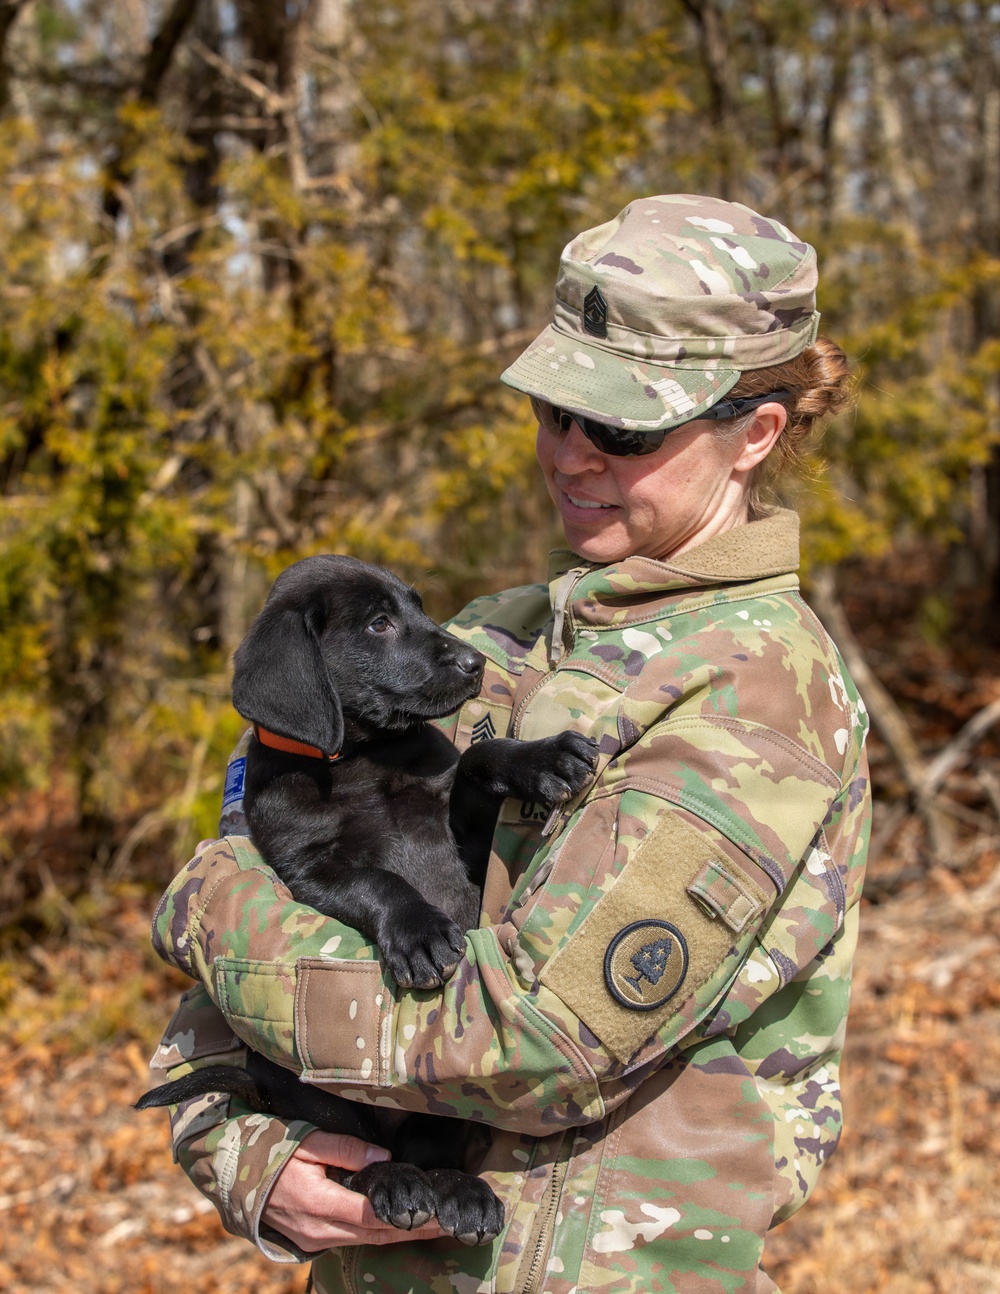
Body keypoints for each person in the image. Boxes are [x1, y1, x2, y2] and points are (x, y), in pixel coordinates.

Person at [147, 193, 870, 1294]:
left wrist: (203, 912)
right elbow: (245, 948)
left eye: (622, 427)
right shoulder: (488, 638)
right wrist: (249, 1156)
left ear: (754, 434)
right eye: (554, 409)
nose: (571, 454)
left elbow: (527, 1044)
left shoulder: (756, 694)